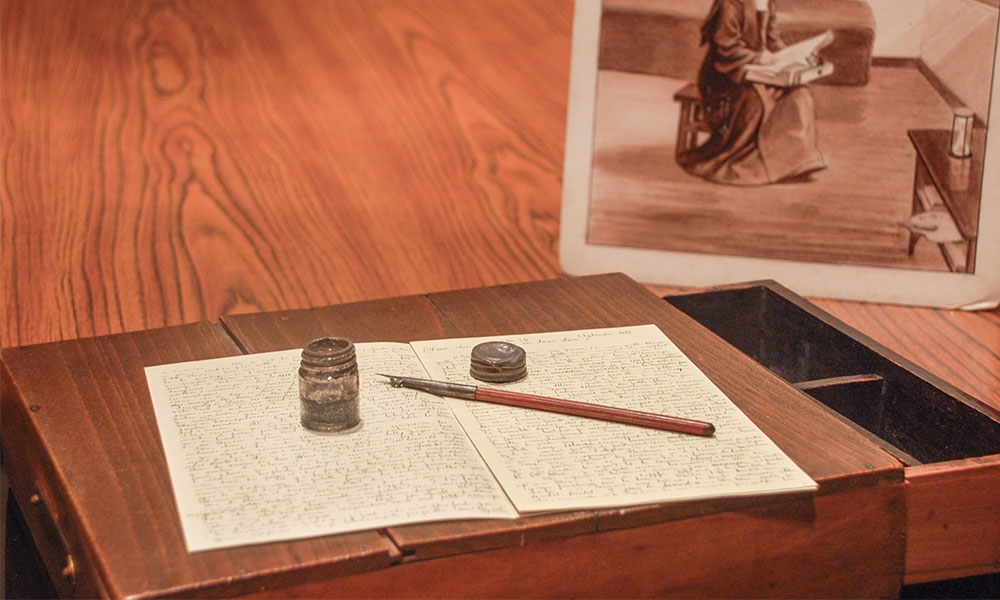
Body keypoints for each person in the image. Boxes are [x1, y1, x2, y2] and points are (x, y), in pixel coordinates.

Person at [677, 0, 826, 185]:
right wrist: (757, 58)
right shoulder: (730, 3)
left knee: (799, 93)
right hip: (726, 75)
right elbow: (726, 46)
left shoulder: (767, 2)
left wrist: (796, 57)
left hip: (758, 70)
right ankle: (751, 163)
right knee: (756, 101)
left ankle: (794, 162)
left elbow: (772, 40)